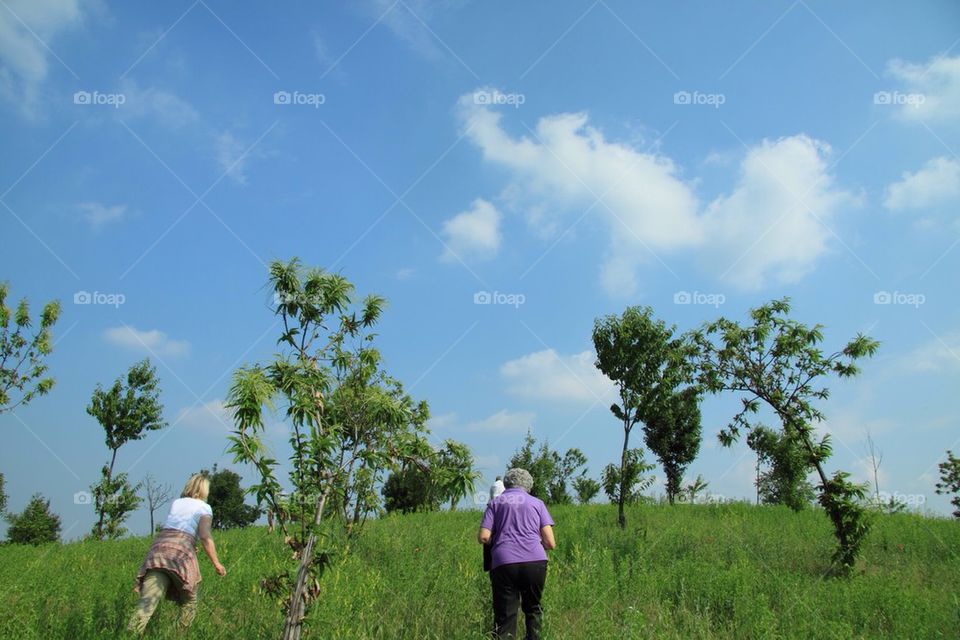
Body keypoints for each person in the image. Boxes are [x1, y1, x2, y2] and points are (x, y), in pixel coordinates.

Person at [128, 473, 227, 634]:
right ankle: (177, 635)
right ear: (204, 490)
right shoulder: (204, 508)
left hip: (158, 553)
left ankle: (130, 634)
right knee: (190, 601)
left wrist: (190, 544)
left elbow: (177, 529)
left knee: (146, 605)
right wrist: (217, 563)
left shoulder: (177, 503)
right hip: (180, 556)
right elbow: (204, 536)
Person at [478, 468, 556, 640]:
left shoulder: (495, 503)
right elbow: (550, 543)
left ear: (506, 484)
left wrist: (500, 542)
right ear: (529, 486)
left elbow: (483, 536)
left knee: (505, 614)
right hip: (535, 562)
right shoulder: (537, 503)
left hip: (503, 563)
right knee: (533, 608)